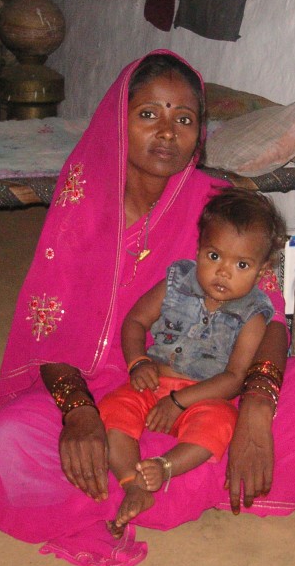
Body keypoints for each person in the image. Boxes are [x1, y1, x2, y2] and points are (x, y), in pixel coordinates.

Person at [0, 50, 295, 566]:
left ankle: (151, 475)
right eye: (148, 115)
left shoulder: (219, 208)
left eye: (183, 118)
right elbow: (52, 334)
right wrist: (79, 412)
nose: (166, 132)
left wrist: (256, 409)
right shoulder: (82, 202)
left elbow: (271, 318)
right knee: (5, 438)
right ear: (120, 119)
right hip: (108, 391)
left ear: (199, 132)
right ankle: (174, 479)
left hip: (211, 395)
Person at [101, 189, 284, 533]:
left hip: (203, 397)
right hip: (152, 382)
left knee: (220, 423)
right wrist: (138, 361)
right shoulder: (176, 283)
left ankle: (165, 466)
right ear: (198, 249)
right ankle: (132, 483)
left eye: (241, 265)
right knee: (114, 408)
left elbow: (234, 377)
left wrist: (179, 402)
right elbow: (136, 321)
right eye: (214, 255)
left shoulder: (253, 316)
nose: (223, 272)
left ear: (262, 271)